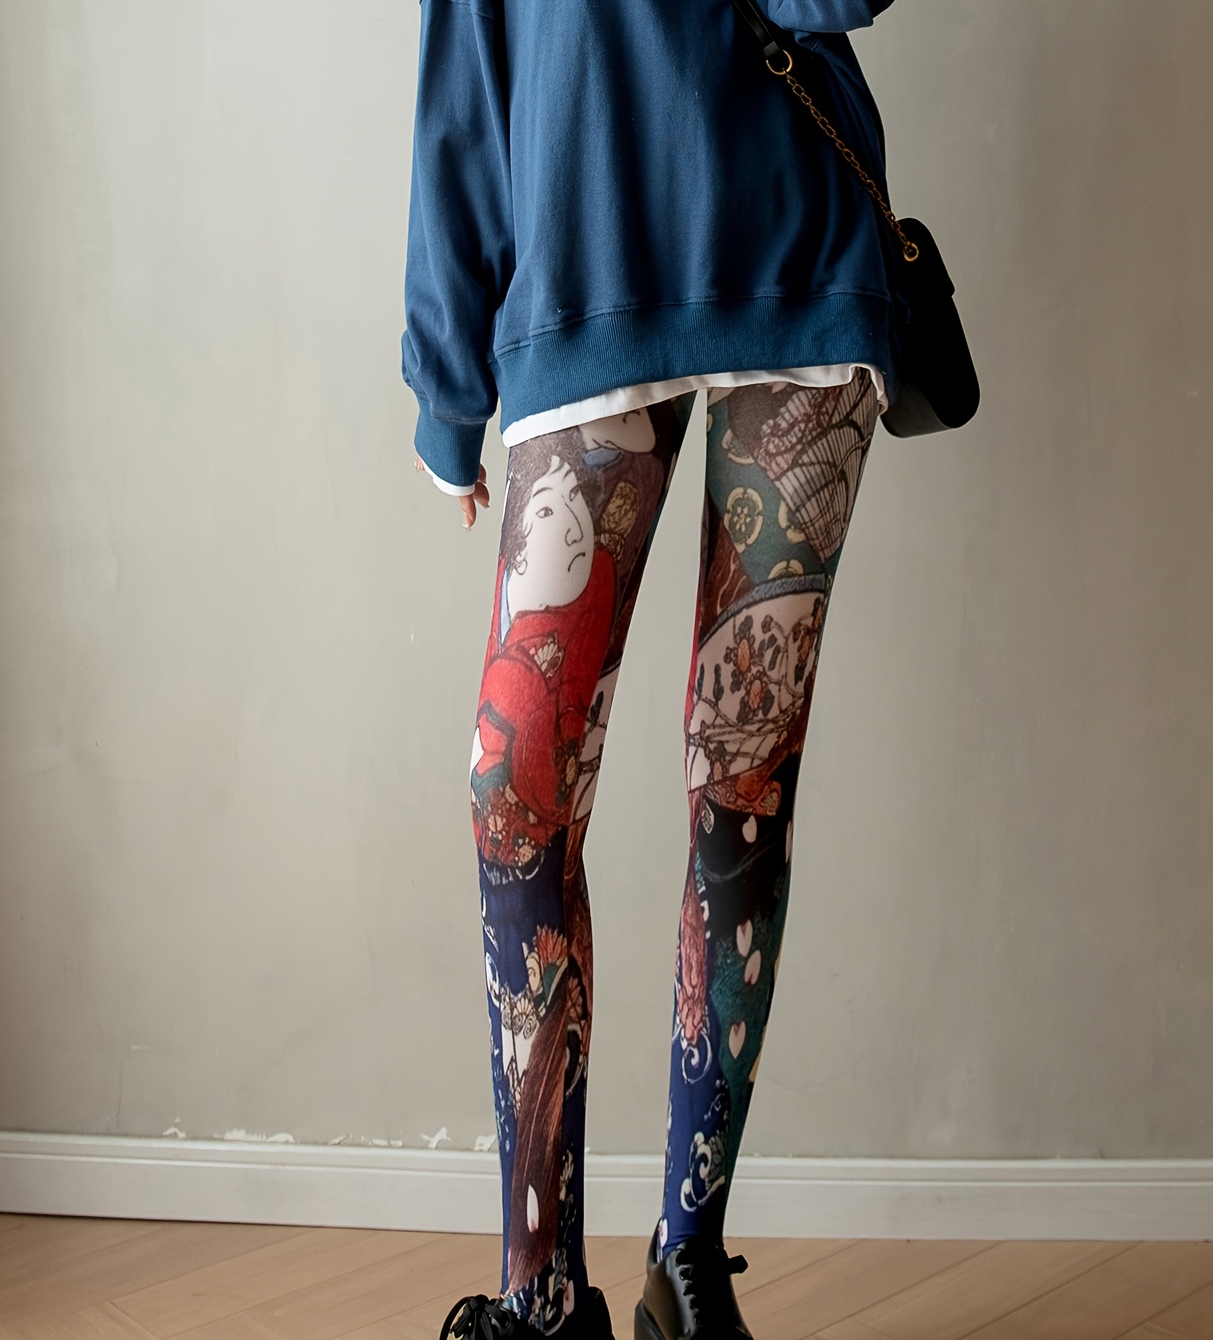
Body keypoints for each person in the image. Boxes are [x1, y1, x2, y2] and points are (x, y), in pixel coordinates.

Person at [402, 3, 899, 1339]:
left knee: (743, 787)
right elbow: (467, 83)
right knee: (516, 800)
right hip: (581, 290)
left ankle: (688, 1256)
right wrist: (448, 385)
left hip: (800, 282)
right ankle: (543, 1296)